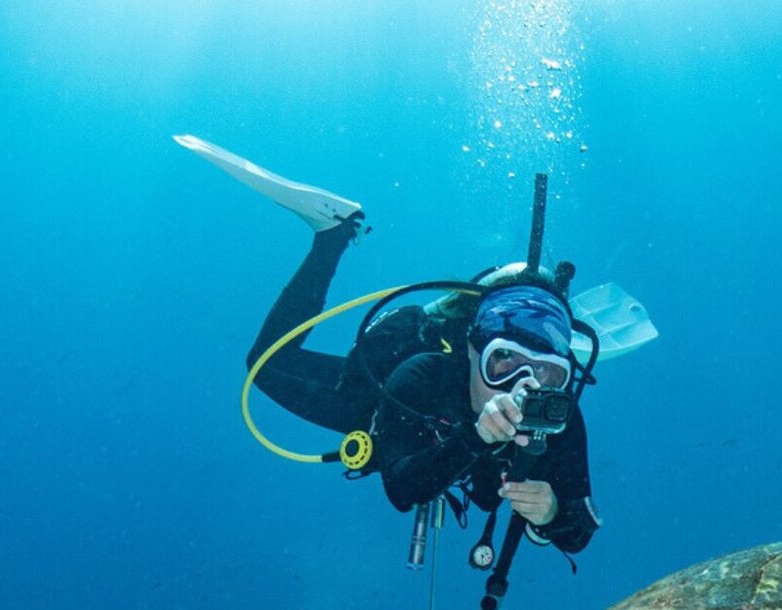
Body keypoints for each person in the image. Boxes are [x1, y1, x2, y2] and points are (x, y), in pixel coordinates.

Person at [245, 210, 600, 556]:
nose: (521, 386)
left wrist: (551, 513)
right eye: (504, 360)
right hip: (387, 409)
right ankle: (332, 236)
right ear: (472, 347)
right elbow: (402, 490)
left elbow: (578, 534)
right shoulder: (423, 376)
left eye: (545, 371)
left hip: (462, 454)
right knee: (266, 367)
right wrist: (476, 436)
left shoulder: (555, 411)